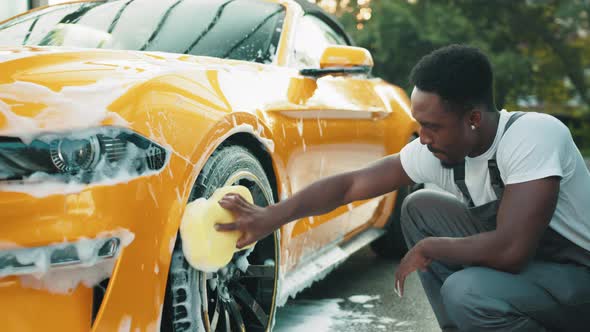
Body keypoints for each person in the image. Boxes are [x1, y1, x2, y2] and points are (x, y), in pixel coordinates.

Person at [215, 44, 590, 331]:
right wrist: (268, 217)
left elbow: (512, 251)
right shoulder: (445, 147)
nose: (422, 138)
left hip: (577, 279)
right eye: (419, 124)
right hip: (532, 273)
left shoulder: (533, 135)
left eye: (432, 126)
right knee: (420, 207)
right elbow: (351, 185)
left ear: (473, 119)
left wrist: (431, 248)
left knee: (468, 291)